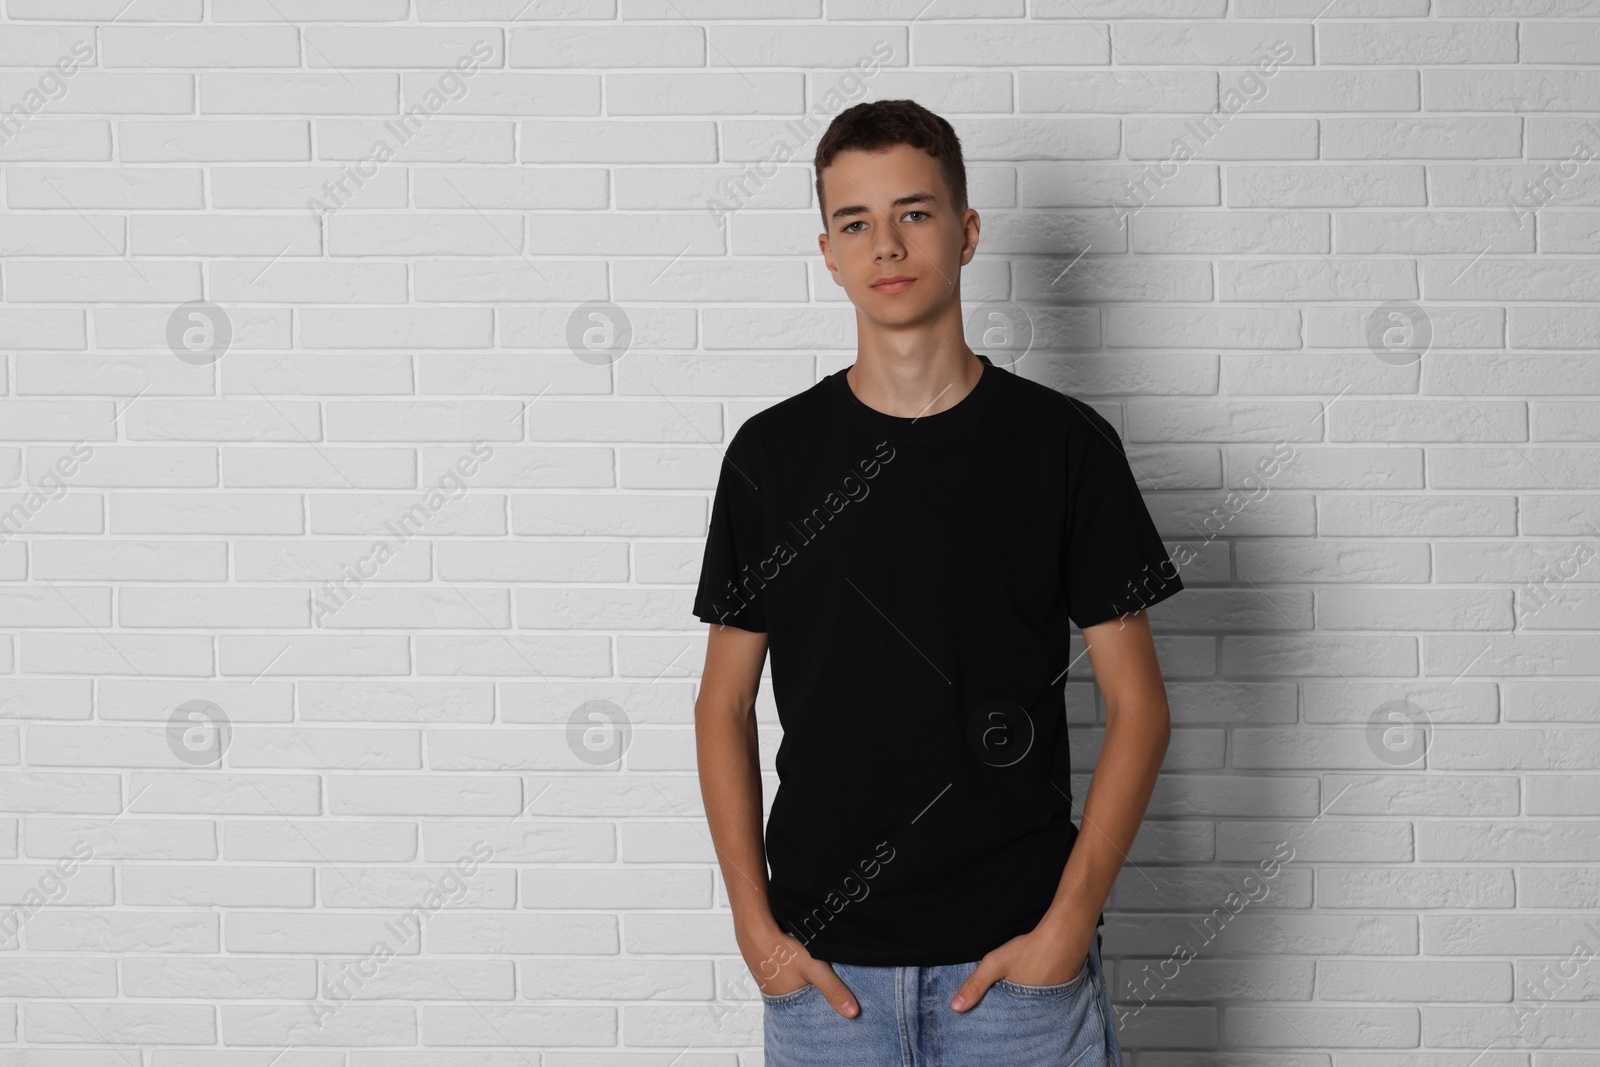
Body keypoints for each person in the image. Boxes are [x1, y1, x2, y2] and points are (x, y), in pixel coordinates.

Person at [691, 98, 1182, 1066]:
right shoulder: (771, 455)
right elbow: (722, 703)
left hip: (1018, 978)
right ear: (827, 251)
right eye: (855, 221)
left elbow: (1140, 705)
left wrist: (1066, 924)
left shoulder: (1062, 445)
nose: (886, 243)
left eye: (914, 213)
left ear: (965, 231)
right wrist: (758, 932)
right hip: (825, 982)